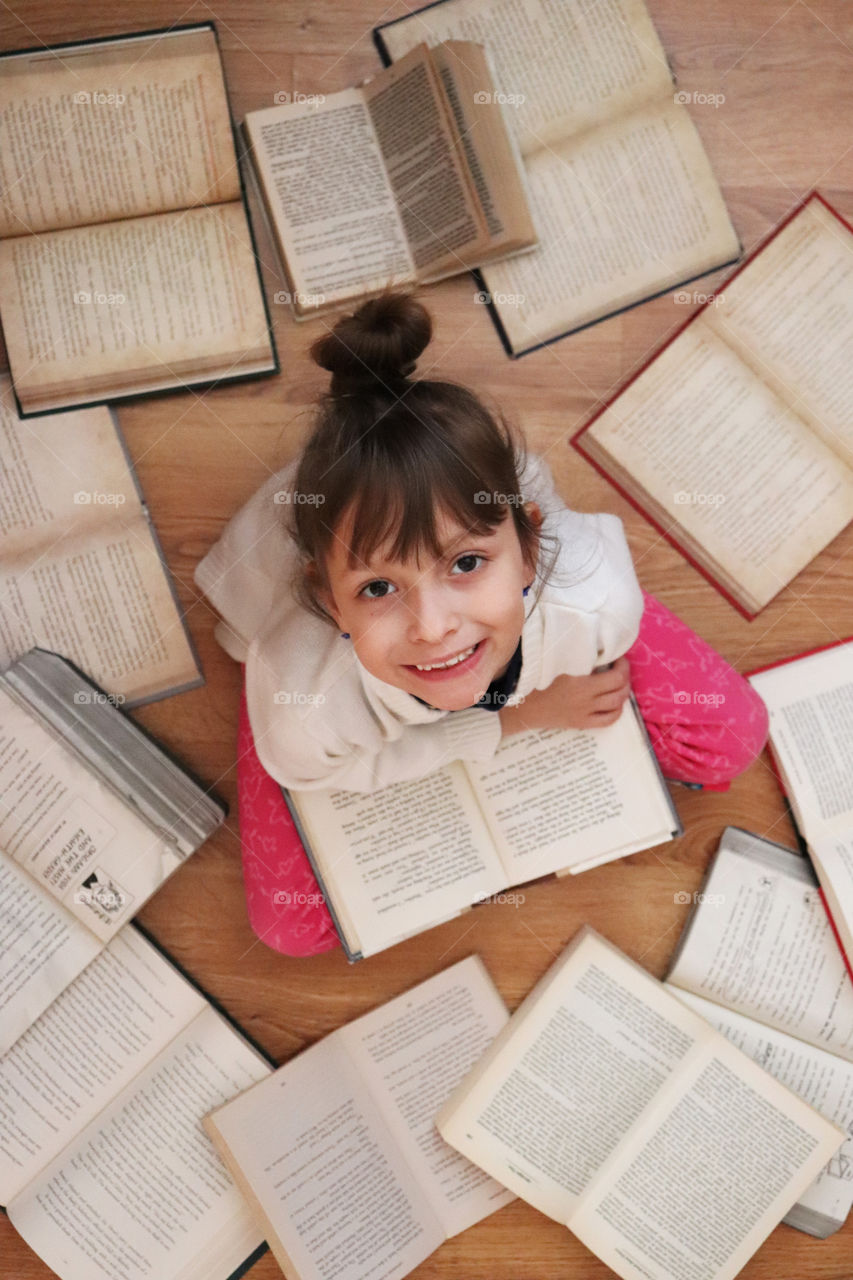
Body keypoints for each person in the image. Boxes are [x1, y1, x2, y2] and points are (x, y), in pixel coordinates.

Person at [195, 292, 768, 957]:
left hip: (531, 560)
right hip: (291, 610)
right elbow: (321, 774)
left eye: (464, 563)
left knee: (731, 736)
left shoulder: (595, 606)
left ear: (529, 547)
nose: (433, 627)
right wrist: (507, 722)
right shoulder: (305, 708)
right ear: (328, 602)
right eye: (378, 587)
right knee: (294, 927)